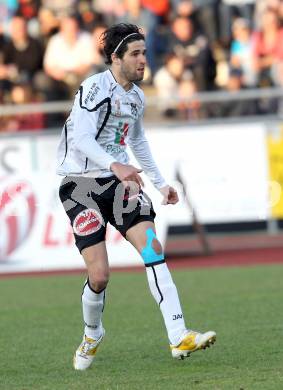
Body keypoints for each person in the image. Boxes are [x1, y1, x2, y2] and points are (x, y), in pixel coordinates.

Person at [56, 23, 216, 371]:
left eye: (144, 52)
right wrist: (116, 165)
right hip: (80, 185)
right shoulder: (93, 87)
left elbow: (137, 141)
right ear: (115, 58)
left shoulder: (137, 97)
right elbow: (81, 138)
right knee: (99, 276)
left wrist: (160, 184)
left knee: (152, 247)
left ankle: (178, 334)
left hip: (118, 182)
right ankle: (92, 333)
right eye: (136, 54)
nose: (144, 60)